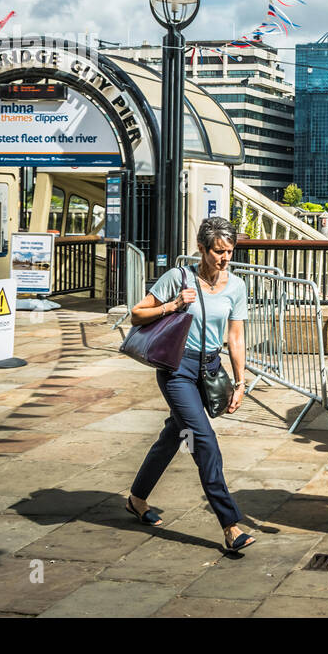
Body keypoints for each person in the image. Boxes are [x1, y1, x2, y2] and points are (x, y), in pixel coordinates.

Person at [126, 216, 256, 553]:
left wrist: (240, 382)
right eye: (217, 251)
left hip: (210, 367)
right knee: (204, 441)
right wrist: (173, 305)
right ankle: (231, 525)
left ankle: (137, 498)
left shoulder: (236, 287)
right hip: (176, 368)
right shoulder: (177, 278)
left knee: (173, 434)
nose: (224, 257)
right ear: (201, 247)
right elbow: (136, 315)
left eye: (229, 251)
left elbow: (236, 337)